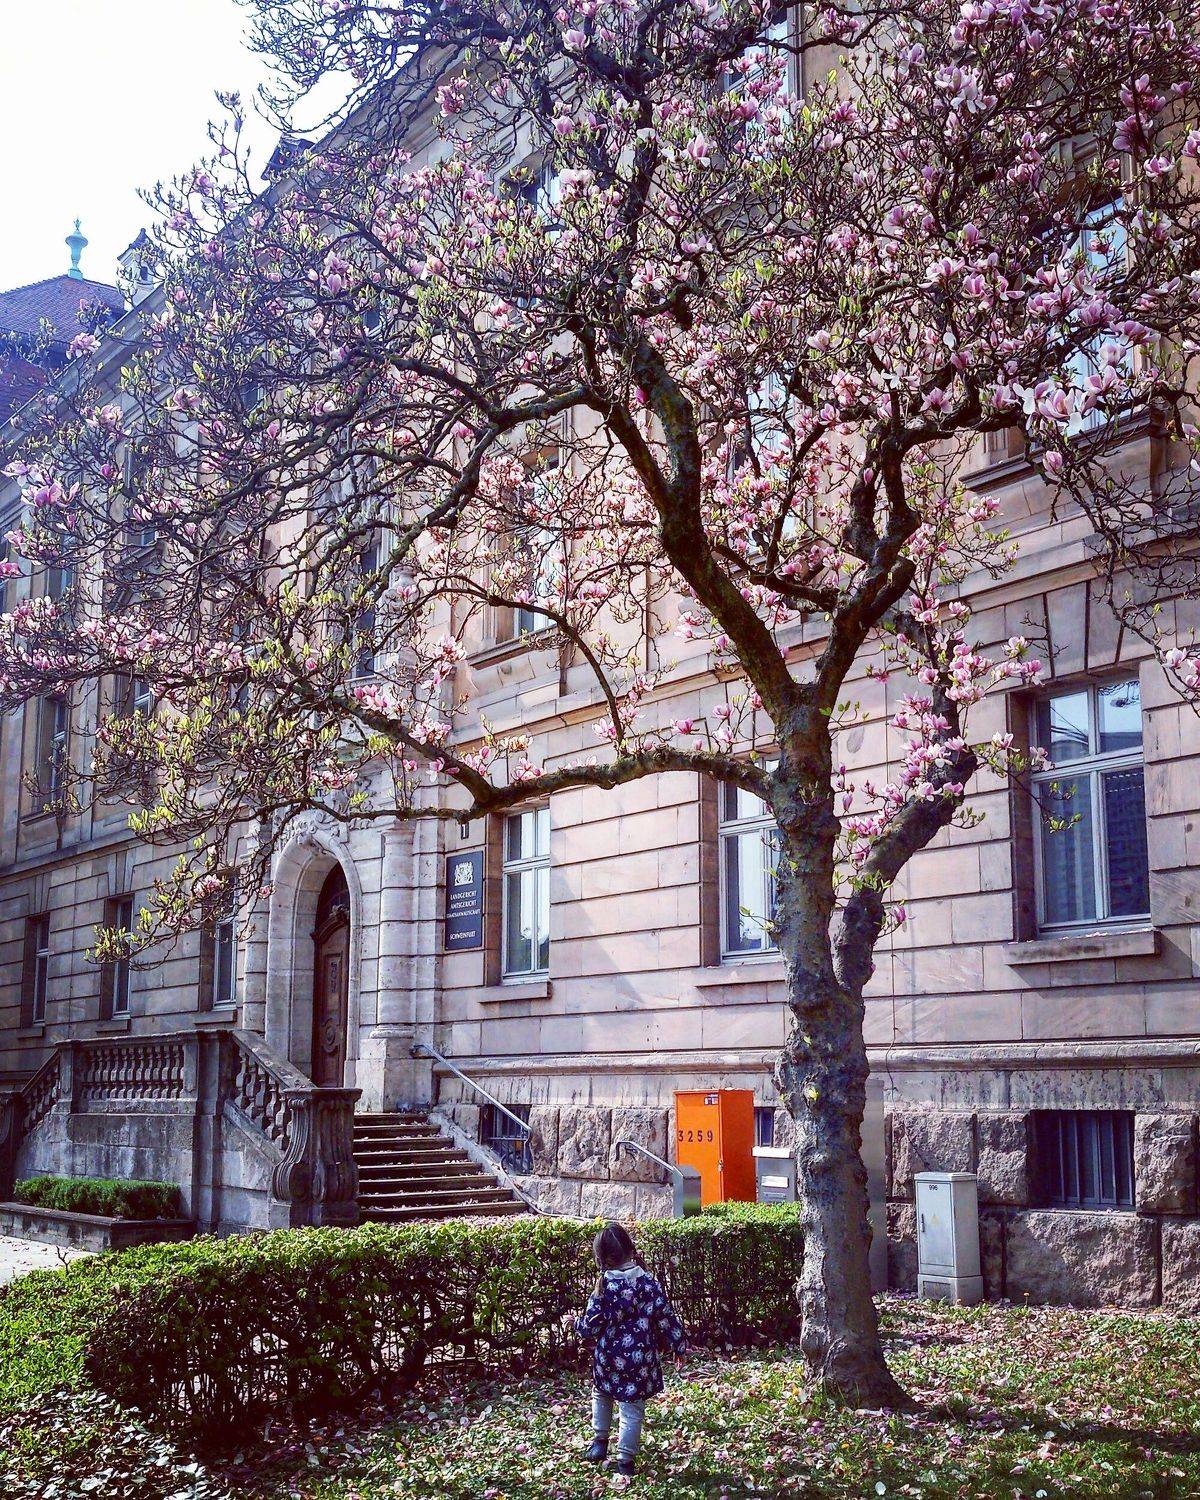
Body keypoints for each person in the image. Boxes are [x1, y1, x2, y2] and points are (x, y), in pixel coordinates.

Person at [573, 1221, 687, 1477]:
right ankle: (625, 1461)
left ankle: (599, 1443)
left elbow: (590, 1326)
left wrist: (575, 1324)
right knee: (631, 1408)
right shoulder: (647, 1283)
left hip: (607, 1359)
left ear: (602, 1258)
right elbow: (666, 1317)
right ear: (630, 1249)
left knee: (601, 1393)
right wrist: (679, 1345)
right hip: (640, 1360)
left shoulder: (604, 1287)